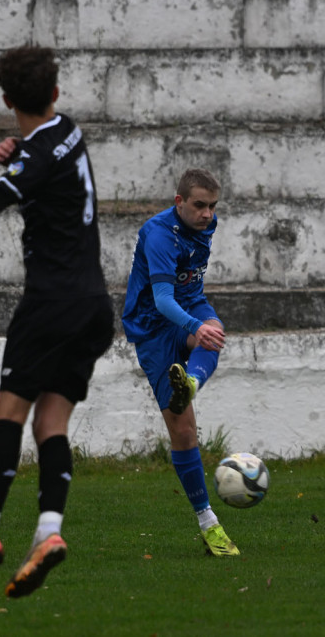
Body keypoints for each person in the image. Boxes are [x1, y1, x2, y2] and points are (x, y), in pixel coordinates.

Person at [0, 44, 114, 598]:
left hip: (51, 304)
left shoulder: (36, 153)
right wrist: (16, 156)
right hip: (92, 306)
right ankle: (48, 533)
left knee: (9, 410)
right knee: (50, 423)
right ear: (56, 94)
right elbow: (38, 162)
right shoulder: (69, 131)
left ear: (8, 99)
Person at [121, 168, 240, 556]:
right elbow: (162, 300)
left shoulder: (209, 224)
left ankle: (188, 383)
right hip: (154, 328)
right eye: (199, 206)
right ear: (179, 202)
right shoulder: (158, 234)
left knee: (214, 332)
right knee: (185, 434)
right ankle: (209, 525)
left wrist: (199, 324)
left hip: (189, 306)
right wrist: (194, 326)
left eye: (212, 206)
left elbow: (187, 291)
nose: (207, 214)